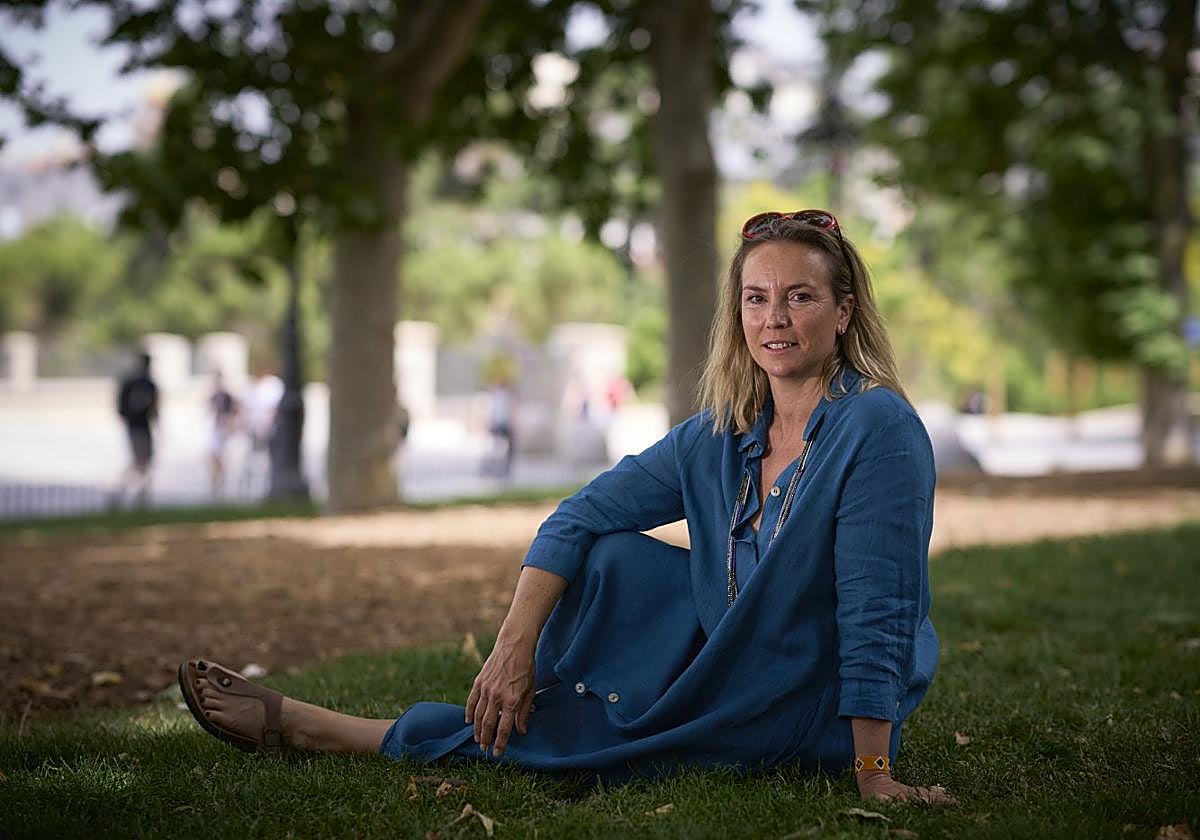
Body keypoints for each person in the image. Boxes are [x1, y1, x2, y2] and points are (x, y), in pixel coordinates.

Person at [179, 210, 953, 804]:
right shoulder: (719, 434)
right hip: (728, 656)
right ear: (738, 313)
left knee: (621, 745)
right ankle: (530, 703)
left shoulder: (875, 426)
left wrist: (874, 769)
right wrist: (513, 646)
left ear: (844, 312)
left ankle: (328, 732)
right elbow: (574, 518)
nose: (774, 319)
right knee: (606, 554)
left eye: (800, 298)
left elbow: (877, 610)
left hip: (803, 696)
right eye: (756, 298)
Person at [114, 351, 159, 508]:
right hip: (140, 427)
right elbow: (154, 408)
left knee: (141, 461)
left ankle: (140, 494)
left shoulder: (132, 381)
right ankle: (136, 494)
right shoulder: (146, 383)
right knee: (140, 462)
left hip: (135, 426)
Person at [208, 371, 238, 498]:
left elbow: (234, 410)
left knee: (222, 457)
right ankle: (215, 482)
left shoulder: (227, 396)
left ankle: (221, 482)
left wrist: (229, 423)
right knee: (214, 456)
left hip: (224, 429)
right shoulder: (213, 396)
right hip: (215, 429)